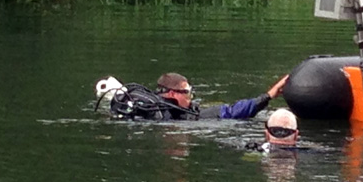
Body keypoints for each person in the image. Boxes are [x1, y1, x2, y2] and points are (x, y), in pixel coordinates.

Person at [107, 72, 287, 120]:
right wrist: (269, 95)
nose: (191, 97)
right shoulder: (159, 112)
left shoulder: (151, 104)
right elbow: (232, 112)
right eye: (187, 92)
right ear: (171, 93)